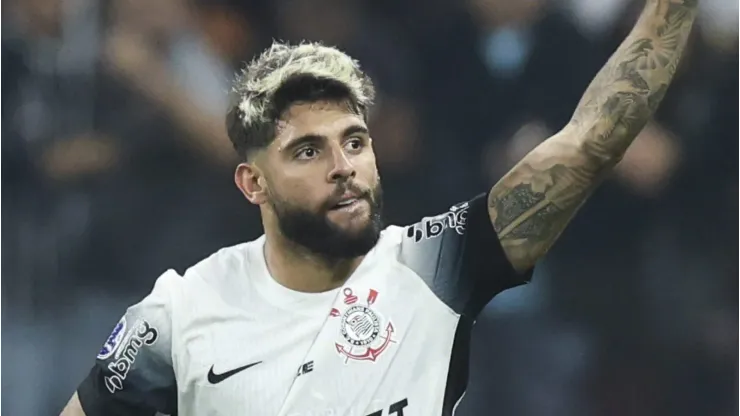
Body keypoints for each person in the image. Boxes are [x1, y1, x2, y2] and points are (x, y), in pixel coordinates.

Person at [61, 1, 698, 415]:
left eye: (355, 142)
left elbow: (589, 142)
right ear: (253, 184)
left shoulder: (430, 265)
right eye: (308, 151)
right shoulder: (183, 309)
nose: (344, 166)